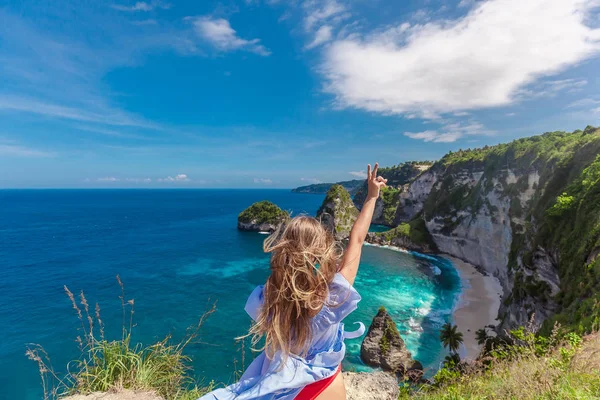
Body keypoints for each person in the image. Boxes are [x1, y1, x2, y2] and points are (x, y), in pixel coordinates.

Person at [199, 163, 387, 400]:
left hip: (280, 385)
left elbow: (286, 278)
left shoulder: (269, 296)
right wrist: (372, 196)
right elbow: (357, 240)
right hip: (322, 386)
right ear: (320, 251)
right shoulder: (331, 298)